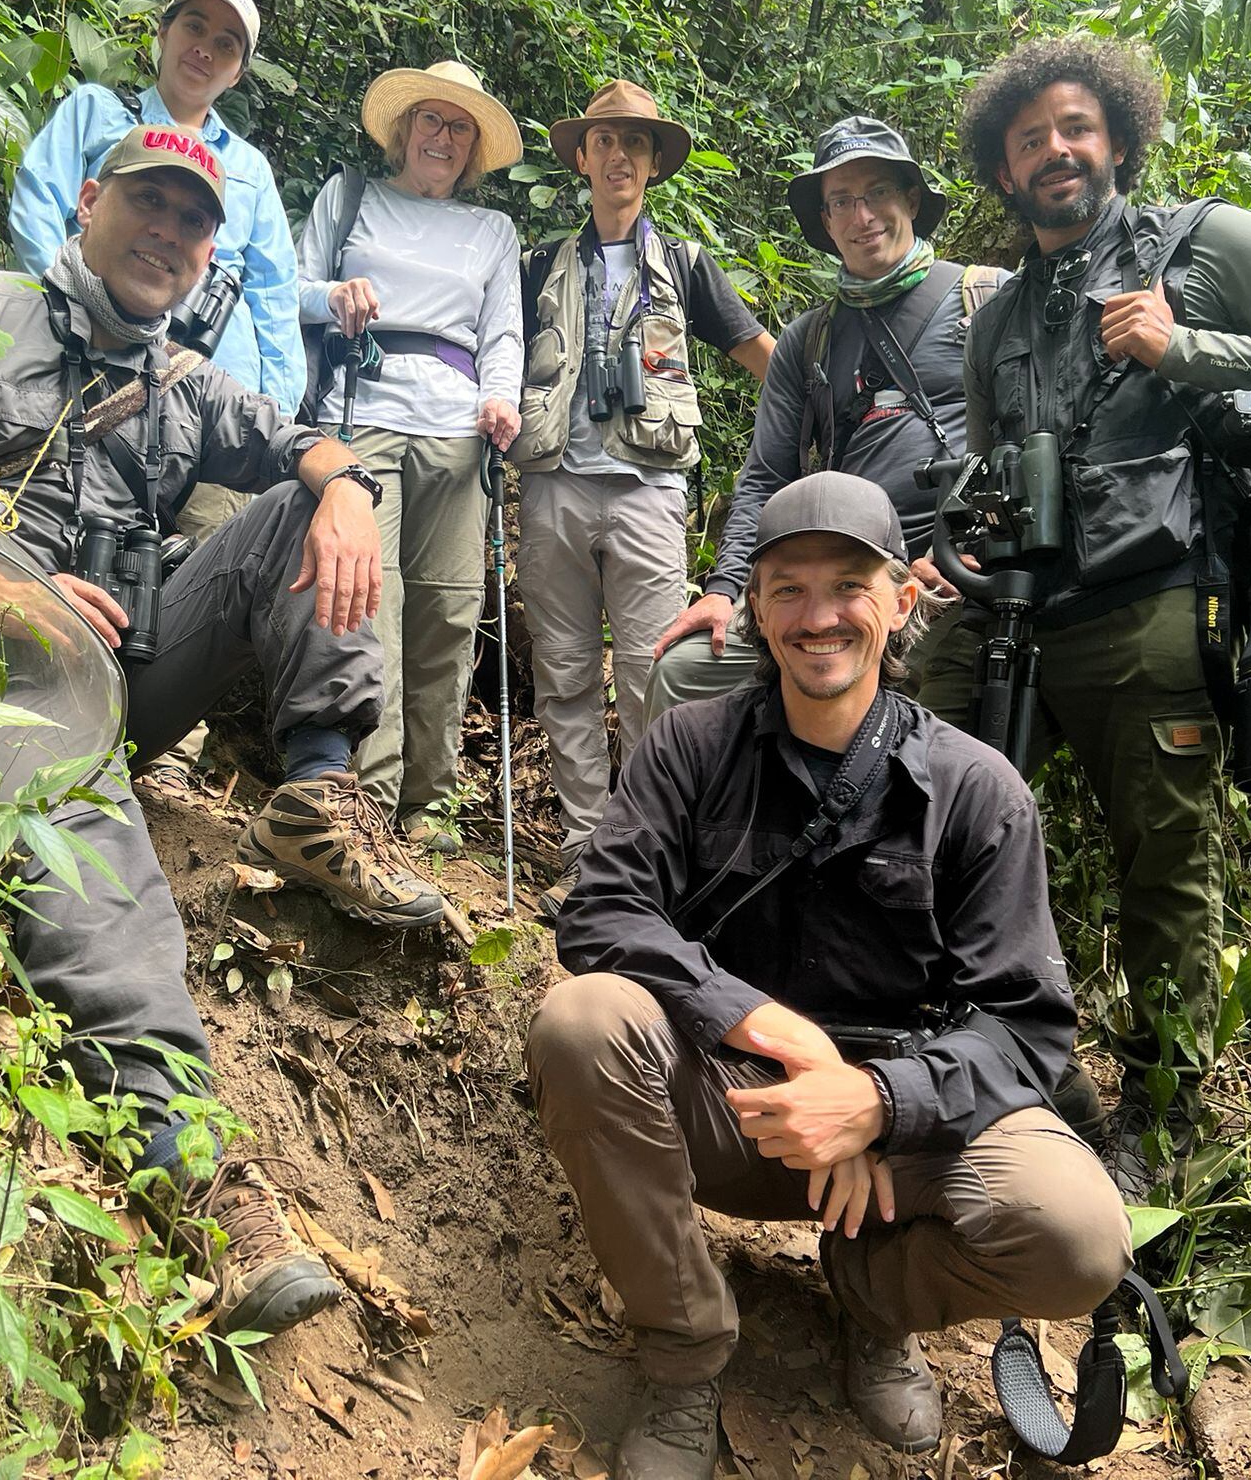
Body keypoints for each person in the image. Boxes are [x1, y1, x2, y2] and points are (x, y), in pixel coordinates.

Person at [0, 125, 449, 1337]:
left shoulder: (181, 376)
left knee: (297, 513)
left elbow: (294, 442)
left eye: (193, 222)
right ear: (90, 203)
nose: (167, 234)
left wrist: (351, 492)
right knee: (90, 847)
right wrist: (7, 586)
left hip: (121, 663)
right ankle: (194, 1164)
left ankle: (323, 789)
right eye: (147, 206)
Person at [529, 473, 1131, 1476]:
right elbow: (599, 912)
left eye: (847, 586)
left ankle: (872, 1300)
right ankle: (682, 1351)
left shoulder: (977, 789)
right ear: (754, 609)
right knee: (582, 1021)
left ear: (900, 601)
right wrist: (776, 1031)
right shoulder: (688, 747)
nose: (817, 618)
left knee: (1074, 1233)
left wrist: (879, 1102)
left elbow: (1022, 1027)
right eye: (786, 589)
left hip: (903, 1143)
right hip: (730, 1106)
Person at [918, 36, 1251, 1196]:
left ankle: (1164, 1124)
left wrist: (1185, 348)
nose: (1054, 153)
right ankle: (1032, 1077)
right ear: (1001, 169)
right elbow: (989, 469)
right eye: (1029, 142)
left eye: (1074, 130)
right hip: (1023, 620)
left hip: (1150, 611)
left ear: (1117, 138)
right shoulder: (995, 318)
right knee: (965, 845)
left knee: (1161, 870)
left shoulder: (1205, 244)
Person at [510, 80, 772, 917]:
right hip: (550, 486)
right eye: (603, 141)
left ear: (654, 162)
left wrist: (810, 442)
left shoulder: (688, 267)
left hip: (650, 492)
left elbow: (770, 363)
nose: (617, 155)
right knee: (563, 674)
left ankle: (651, 851)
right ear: (581, 157)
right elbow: (486, 360)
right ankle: (588, 853)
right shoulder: (535, 267)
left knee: (654, 673)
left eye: (634, 142)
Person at [649, 117, 1002, 716]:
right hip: (834, 574)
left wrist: (975, 550)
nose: (862, 216)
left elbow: (1036, 442)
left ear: (911, 200)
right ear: (827, 221)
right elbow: (765, 475)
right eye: (842, 201)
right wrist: (725, 589)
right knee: (686, 674)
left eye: (878, 193)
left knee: (907, 717)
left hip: (951, 576)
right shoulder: (808, 339)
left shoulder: (986, 301)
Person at [295, 60, 524, 855]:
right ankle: (370, 791)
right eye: (431, 120)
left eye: (459, 128)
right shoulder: (350, 197)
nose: (443, 136)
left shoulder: (493, 231)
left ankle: (432, 803)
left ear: (473, 150)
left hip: (459, 430)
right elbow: (285, 287)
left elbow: (503, 334)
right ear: (404, 129)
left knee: (449, 610)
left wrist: (503, 398)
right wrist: (333, 297)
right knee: (370, 602)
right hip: (363, 415)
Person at [8, 0, 304, 542]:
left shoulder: (250, 169)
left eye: (226, 44)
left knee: (202, 575)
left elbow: (273, 294)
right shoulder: (96, 111)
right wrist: (65, 321)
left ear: (239, 71)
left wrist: (275, 415)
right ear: (163, 33)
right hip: (90, 374)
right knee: (64, 539)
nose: (204, 49)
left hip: (211, 395)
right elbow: (38, 202)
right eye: (194, 26)